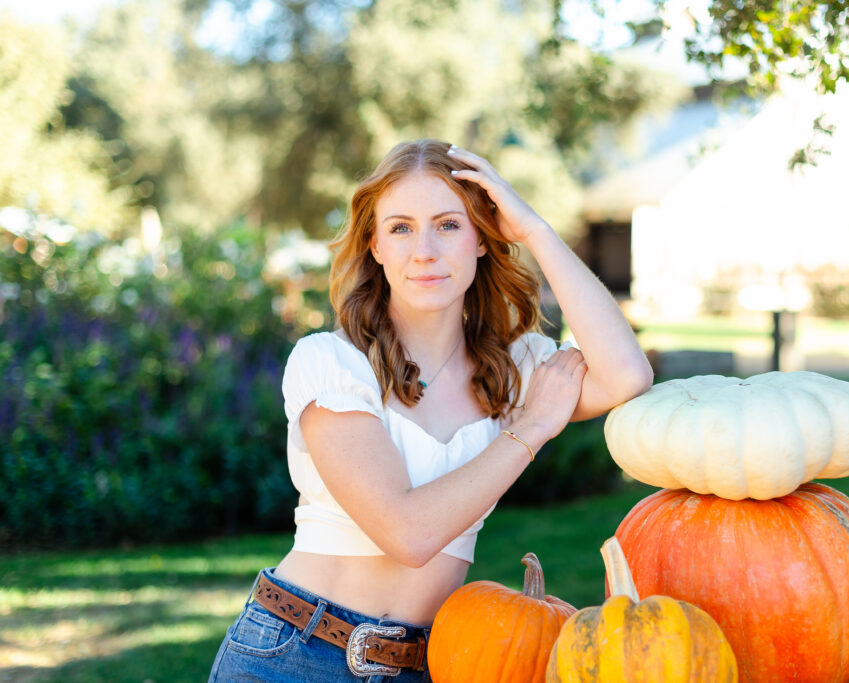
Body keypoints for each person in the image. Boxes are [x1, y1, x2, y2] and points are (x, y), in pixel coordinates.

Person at [208, 139, 653, 682]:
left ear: (482, 241)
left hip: (428, 664)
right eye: (400, 228)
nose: (425, 250)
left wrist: (536, 230)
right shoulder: (331, 363)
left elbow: (627, 374)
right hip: (295, 654)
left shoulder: (512, 369)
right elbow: (408, 534)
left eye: (448, 224)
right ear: (374, 245)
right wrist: (533, 426)